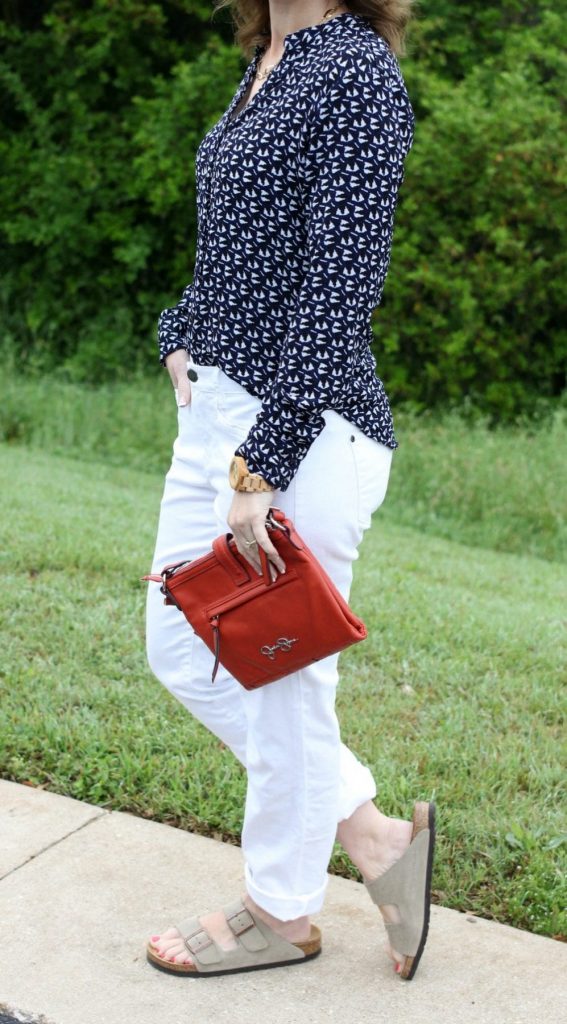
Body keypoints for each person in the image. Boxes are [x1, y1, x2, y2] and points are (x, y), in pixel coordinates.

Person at [145, 0, 435, 981]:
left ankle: (281, 910)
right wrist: (177, 332)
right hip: (220, 411)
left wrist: (262, 463)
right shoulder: (270, 54)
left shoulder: (355, 71)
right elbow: (237, 243)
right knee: (181, 646)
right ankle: (376, 838)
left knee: (285, 679)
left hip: (303, 429)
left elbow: (338, 291)